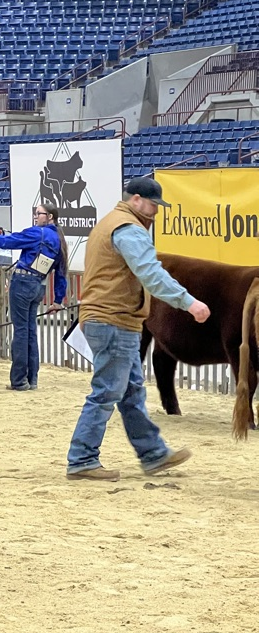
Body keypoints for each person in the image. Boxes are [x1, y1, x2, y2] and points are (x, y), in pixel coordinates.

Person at [66, 176, 211, 483]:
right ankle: (82, 458)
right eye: (153, 204)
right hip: (113, 320)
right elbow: (150, 272)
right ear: (136, 200)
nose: (156, 211)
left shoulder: (111, 222)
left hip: (112, 319)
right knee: (107, 391)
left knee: (130, 391)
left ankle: (153, 454)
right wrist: (188, 302)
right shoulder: (129, 229)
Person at [0, 203, 68, 390]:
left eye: (39, 213)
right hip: (38, 286)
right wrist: (57, 301)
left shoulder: (37, 233)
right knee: (30, 331)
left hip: (22, 283)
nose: (35, 216)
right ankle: (32, 379)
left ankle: (19, 380)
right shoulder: (59, 240)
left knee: (21, 331)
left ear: (50, 217)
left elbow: (8, 242)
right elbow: (61, 273)